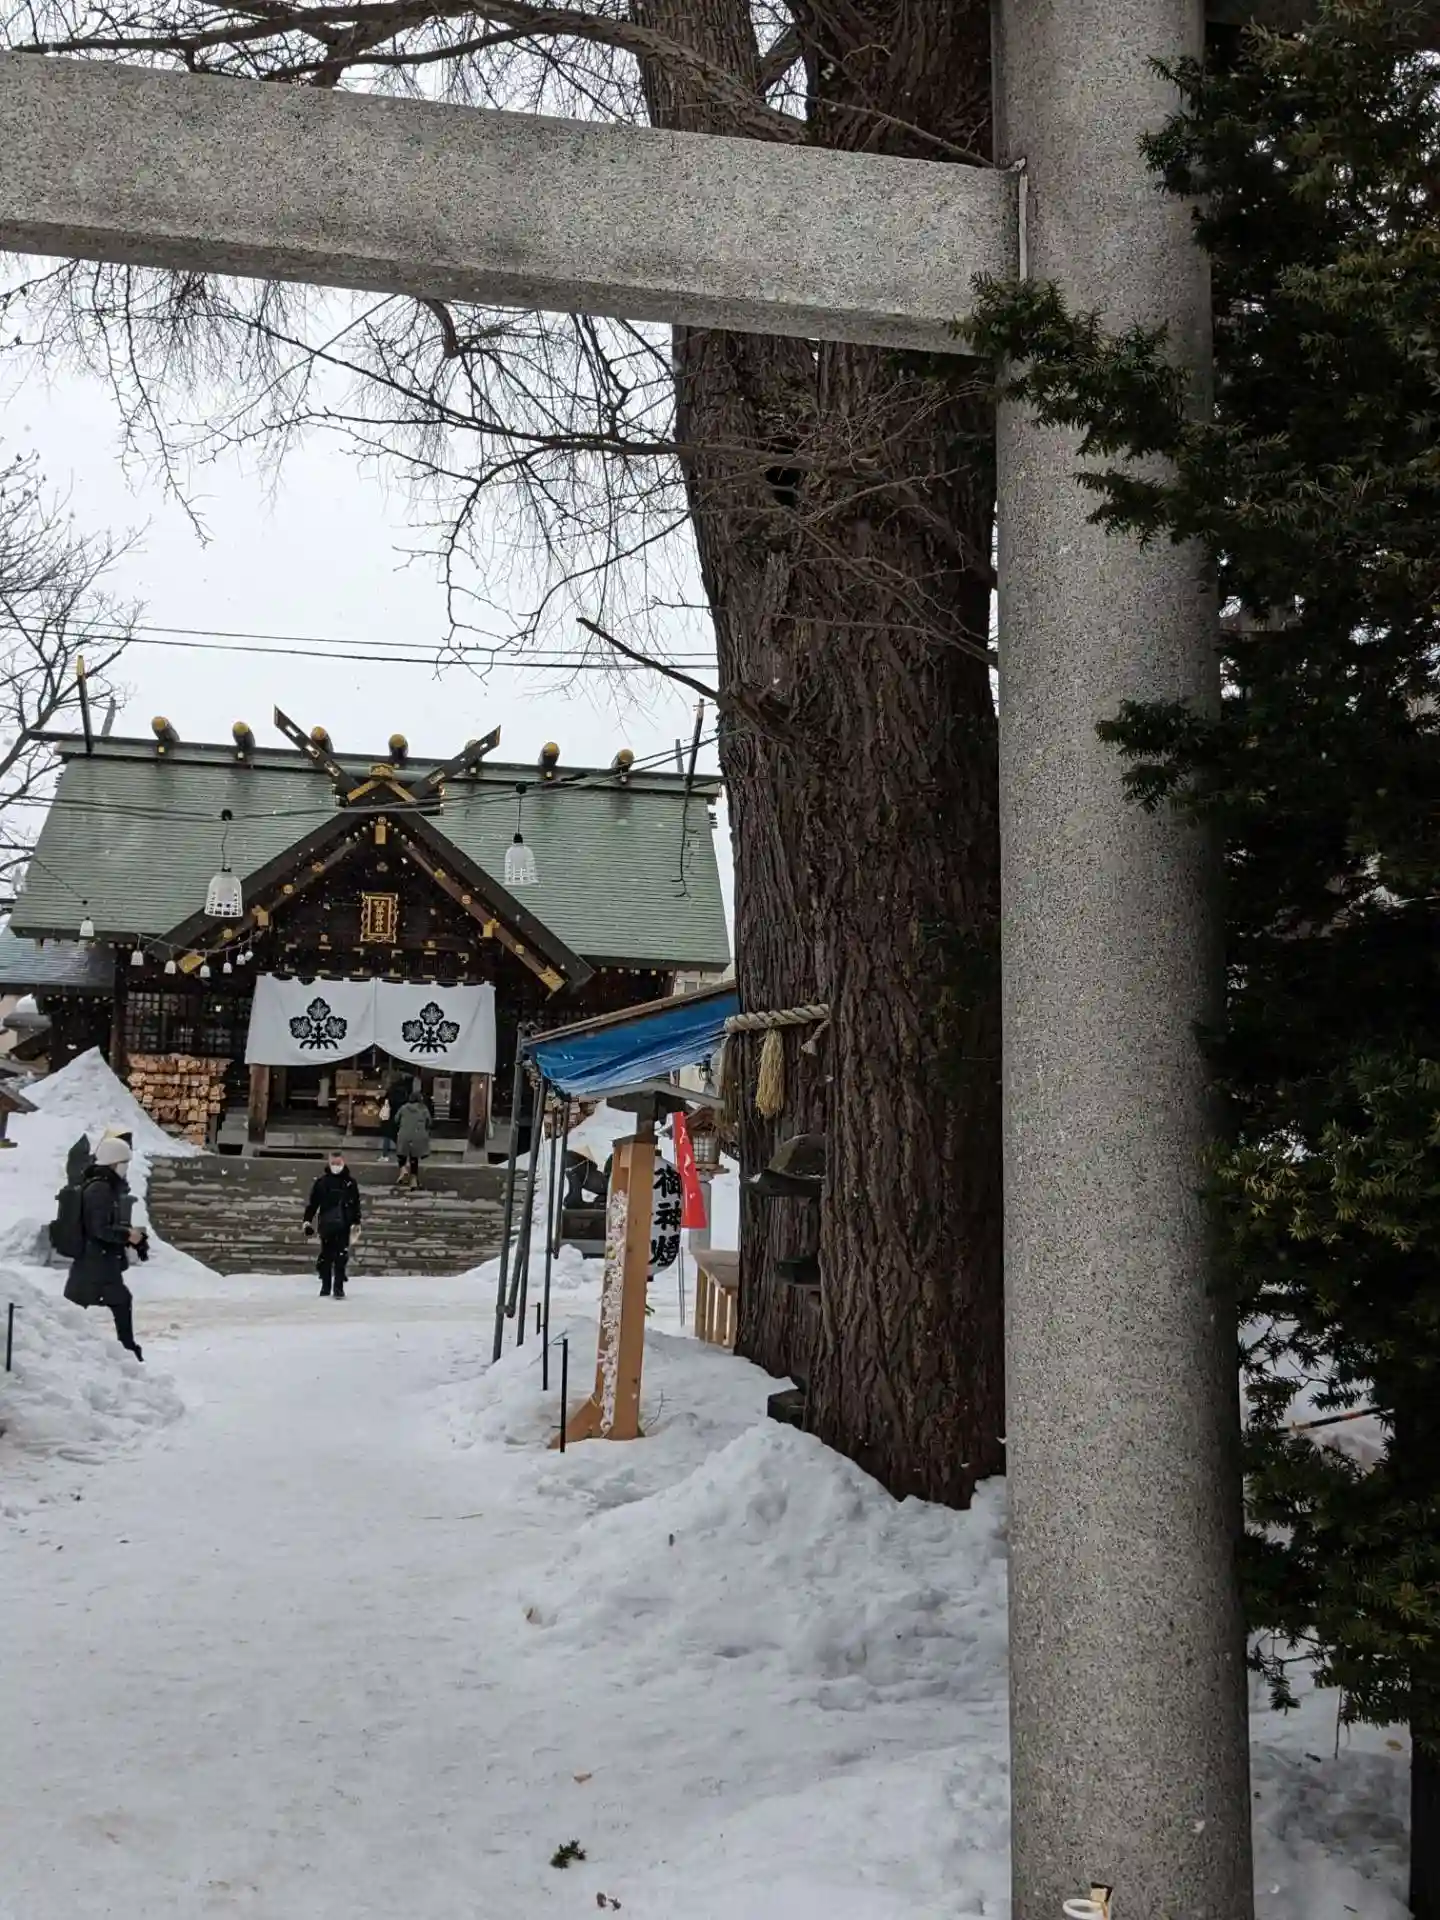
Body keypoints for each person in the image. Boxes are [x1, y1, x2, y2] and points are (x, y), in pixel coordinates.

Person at [63, 1136, 147, 1360]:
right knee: (110, 1302)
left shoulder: (102, 1186)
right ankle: (128, 1352)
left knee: (75, 1307)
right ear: (113, 1162)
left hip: (95, 1261)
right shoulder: (100, 1189)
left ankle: (126, 1351)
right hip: (97, 1262)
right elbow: (99, 1228)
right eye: (124, 1163)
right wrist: (127, 1234)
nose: (126, 1168)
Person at [303, 1152, 362, 1298]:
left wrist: (356, 1222)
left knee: (341, 1257)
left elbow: (355, 1204)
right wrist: (307, 1221)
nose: (336, 1166)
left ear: (343, 1163)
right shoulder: (322, 1182)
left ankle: (338, 1287)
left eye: (338, 1163)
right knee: (327, 1256)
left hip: (344, 1224)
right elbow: (313, 1203)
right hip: (327, 1224)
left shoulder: (350, 1183)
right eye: (333, 1163)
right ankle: (326, 1286)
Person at [393, 1089, 432, 1190]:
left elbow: (396, 1119)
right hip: (418, 1136)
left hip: (404, 1135)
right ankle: (413, 1180)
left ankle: (403, 1170)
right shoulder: (423, 1109)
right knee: (414, 1158)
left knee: (401, 1154)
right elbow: (429, 1122)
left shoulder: (403, 1108)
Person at [379, 1068, 413, 1163]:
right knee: (398, 1136)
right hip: (400, 1115)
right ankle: (403, 1154)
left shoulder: (391, 1090)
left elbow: (386, 1101)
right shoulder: (405, 1091)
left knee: (387, 1136)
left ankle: (385, 1155)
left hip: (390, 1115)